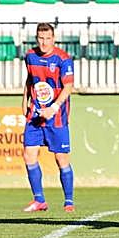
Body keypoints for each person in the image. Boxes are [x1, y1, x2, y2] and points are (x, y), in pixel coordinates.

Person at [22, 23, 75, 212]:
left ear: (53, 38)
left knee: (61, 159)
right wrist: (24, 100)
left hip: (57, 117)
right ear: (37, 38)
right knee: (29, 155)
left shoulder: (63, 59)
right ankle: (39, 200)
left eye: (47, 38)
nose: (44, 43)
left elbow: (68, 87)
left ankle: (69, 201)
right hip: (35, 115)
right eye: (40, 38)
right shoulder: (30, 56)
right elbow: (30, 79)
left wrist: (54, 107)